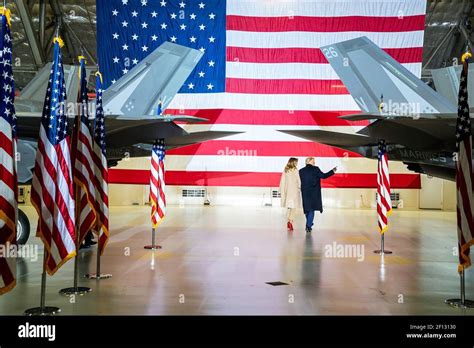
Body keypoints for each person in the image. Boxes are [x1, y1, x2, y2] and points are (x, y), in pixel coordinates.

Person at [299, 157, 337, 233]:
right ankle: (308, 225)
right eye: (313, 161)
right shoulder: (316, 169)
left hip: (305, 192)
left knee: (307, 209)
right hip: (314, 192)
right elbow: (324, 176)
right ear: (308, 161)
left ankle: (309, 223)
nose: (314, 162)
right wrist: (332, 171)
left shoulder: (301, 171)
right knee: (312, 209)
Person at [279, 157, 302, 231]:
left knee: (289, 207)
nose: (297, 163)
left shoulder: (285, 170)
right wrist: (300, 188)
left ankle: (289, 221)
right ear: (293, 162)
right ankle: (290, 221)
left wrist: (282, 190)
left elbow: (282, 181)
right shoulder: (295, 170)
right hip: (294, 191)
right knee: (294, 207)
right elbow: (298, 181)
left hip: (287, 191)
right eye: (296, 162)